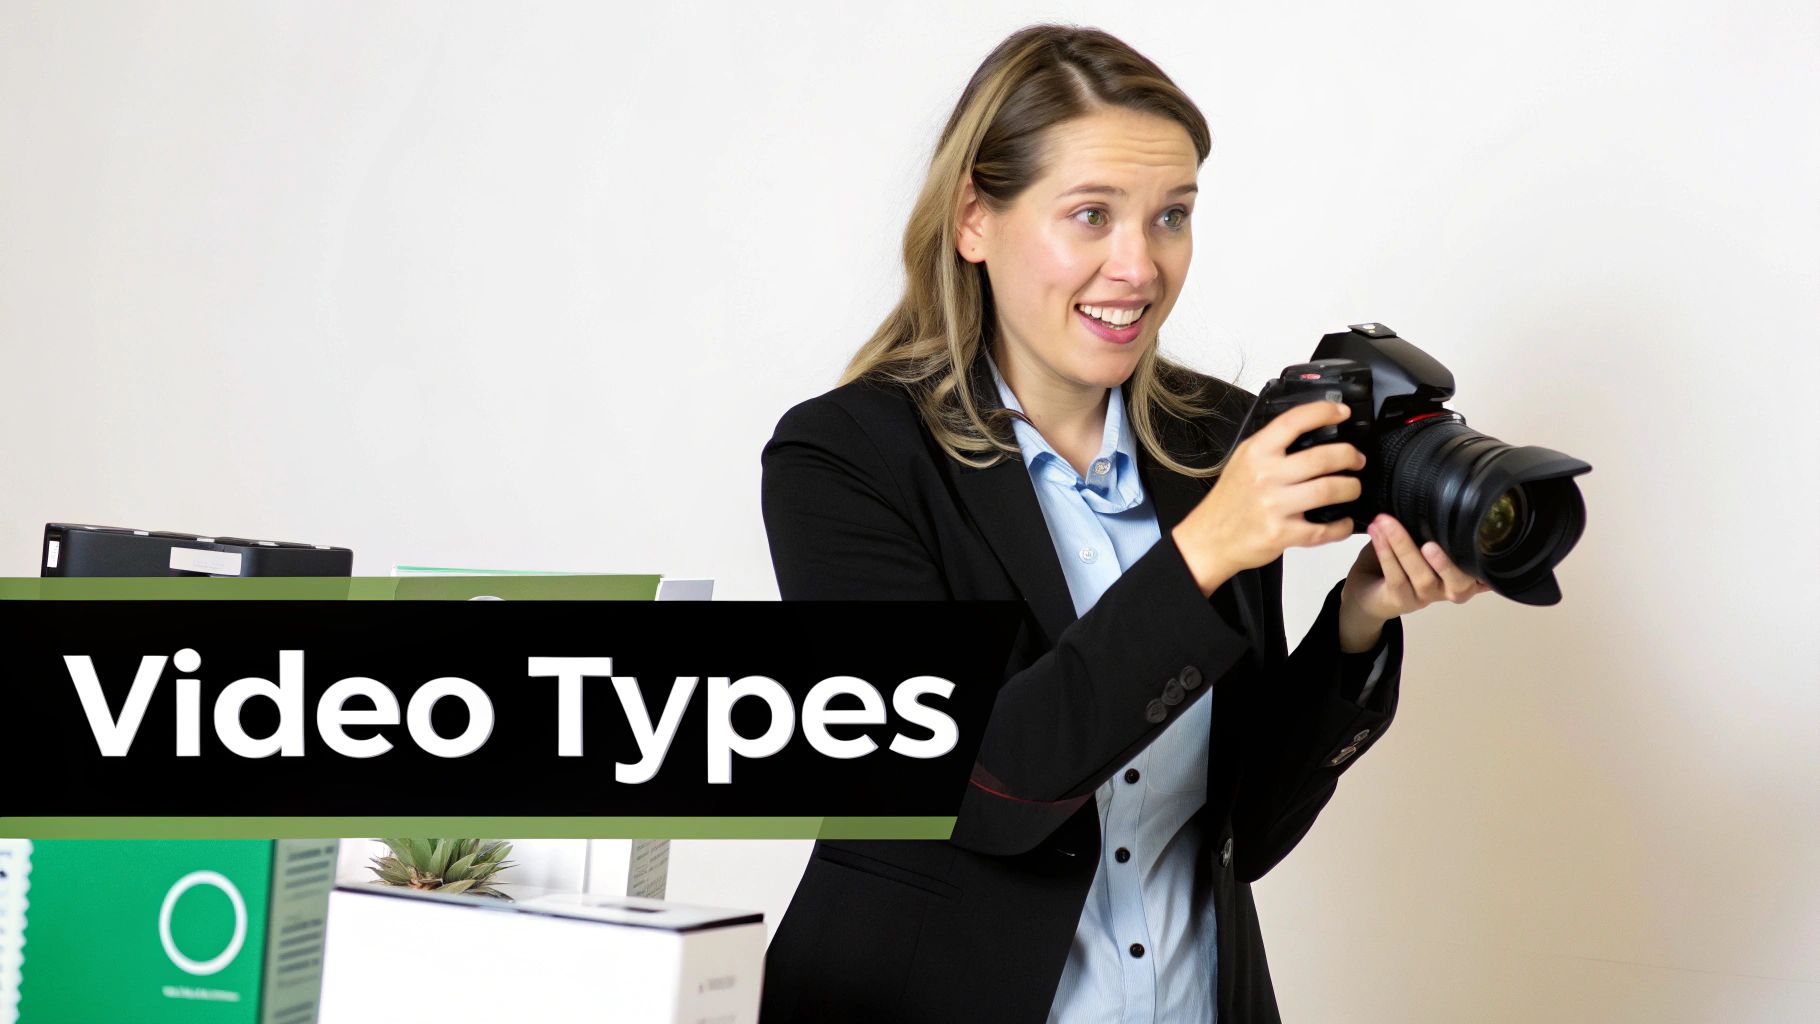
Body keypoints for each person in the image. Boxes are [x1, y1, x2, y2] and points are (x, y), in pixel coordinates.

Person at [757, 24, 1492, 1024]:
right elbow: (983, 778)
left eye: (1170, 216)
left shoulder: (1213, 443)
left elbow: (1246, 827)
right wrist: (1204, 552)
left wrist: (1357, 619)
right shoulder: (844, 460)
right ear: (974, 217)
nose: (1137, 266)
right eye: (1090, 215)